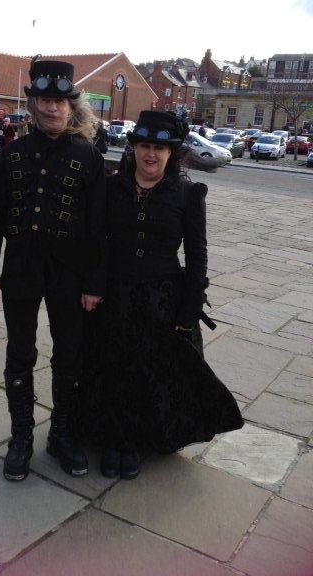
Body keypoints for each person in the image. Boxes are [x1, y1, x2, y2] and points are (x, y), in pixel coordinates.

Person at [74, 110, 243, 480]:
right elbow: (97, 240)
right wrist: (93, 286)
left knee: (148, 373)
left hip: (162, 299)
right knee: (111, 368)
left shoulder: (186, 194)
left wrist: (188, 309)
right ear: (133, 148)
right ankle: (113, 439)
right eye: (144, 146)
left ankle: (134, 442)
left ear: (171, 152)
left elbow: (197, 255)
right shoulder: (111, 186)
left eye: (159, 148)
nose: (151, 154)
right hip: (114, 294)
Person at [0, 58, 106, 482]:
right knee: (20, 352)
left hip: (70, 275)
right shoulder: (12, 152)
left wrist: (92, 283)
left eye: (59, 101)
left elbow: (97, 228)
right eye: (43, 101)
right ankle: (21, 439)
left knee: (69, 355)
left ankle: (62, 435)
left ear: (71, 105)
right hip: (21, 270)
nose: (51, 109)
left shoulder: (88, 156)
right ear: (32, 104)